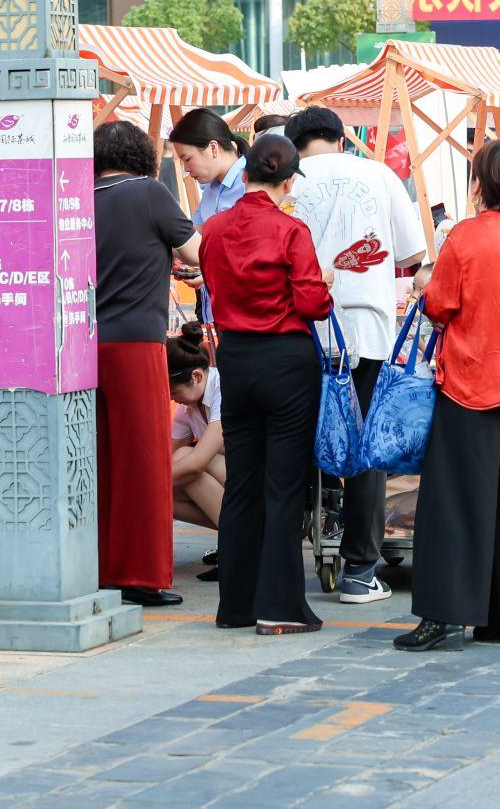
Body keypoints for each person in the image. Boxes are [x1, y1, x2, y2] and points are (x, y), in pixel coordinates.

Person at [396, 141, 500, 652]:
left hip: (472, 377)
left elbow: (440, 304)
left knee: (455, 502)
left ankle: (446, 615)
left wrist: (425, 290)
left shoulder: (465, 236)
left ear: (480, 185)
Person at [284, 106, 426, 606]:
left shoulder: (287, 180)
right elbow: (412, 254)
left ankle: (284, 565)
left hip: (301, 331)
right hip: (366, 332)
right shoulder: (378, 174)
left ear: (294, 143)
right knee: (367, 450)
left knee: (294, 444)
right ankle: (360, 571)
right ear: (341, 138)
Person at [201, 135, 333, 634]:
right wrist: (326, 287)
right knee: (283, 485)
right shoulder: (291, 229)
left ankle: (236, 604)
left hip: (235, 358)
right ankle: (279, 606)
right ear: (288, 181)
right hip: (285, 360)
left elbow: (213, 287)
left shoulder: (215, 228)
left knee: (243, 482)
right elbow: (313, 304)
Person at [92, 120, 201, 606]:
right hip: (136, 343)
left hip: (84, 344)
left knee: (98, 460)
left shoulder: (80, 199)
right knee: (143, 461)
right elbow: (196, 251)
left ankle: (100, 566)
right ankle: (139, 574)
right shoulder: (149, 192)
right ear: (141, 155)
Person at [167, 323, 225, 545]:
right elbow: (168, 459)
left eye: (174, 392)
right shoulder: (188, 407)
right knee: (168, 497)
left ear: (197, 376)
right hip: (228, 477)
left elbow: (198, 462)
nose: (172, 399)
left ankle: (243, 536)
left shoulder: (223, 388)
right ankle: (238, 535)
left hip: (255, 476)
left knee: (186, 460)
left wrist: (147, 486)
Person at [169, 109, 248, 228]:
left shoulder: (251, 183)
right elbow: (196, 232)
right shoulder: (211, 186)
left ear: (213, 148)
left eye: (188, 159)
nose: (186, 169)